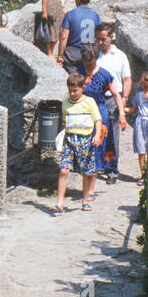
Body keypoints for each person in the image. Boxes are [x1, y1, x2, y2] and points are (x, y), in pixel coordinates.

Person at [54, 72, 105, 213]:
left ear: (82, 88)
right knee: (64, 170)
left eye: (75, 90)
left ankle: (85, 201)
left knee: (85, 172)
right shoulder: (65, 103)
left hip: (85, 140)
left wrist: (97, 134)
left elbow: (97, 120)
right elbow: (65, 121)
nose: (72, 94)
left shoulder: (89, 102)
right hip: (69, 139)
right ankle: (59, 203)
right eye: (70, 91)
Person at [78, 44, 127, 179]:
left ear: (95, 58)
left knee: (104, 141)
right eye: (85, 62)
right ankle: (87, 171)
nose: (87, 65)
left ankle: (110, 171)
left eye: (90, 62)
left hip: (100, 111)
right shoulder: (80, 72)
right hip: (84, 112)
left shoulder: (104, 74)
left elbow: (116, 94)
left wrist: (122, 114)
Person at [95, 24, 132, 182]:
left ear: (111, 37)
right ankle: (96, 166)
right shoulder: (94, 54)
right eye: (98, 39)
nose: (100, 43)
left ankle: (111, 168)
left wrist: (124, 99)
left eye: (103, 39)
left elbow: (127, 79)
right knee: (95, 132)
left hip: (112, 99)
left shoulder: (120, 56)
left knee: (111, 134)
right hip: (95, 99)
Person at [57, 0, 101, 71]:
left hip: (72, 54)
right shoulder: (96, 16)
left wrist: (60, 55)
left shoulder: (70, 14)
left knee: (73, 79)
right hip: (89, 52)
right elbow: (98, 36)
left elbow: (64, 36)